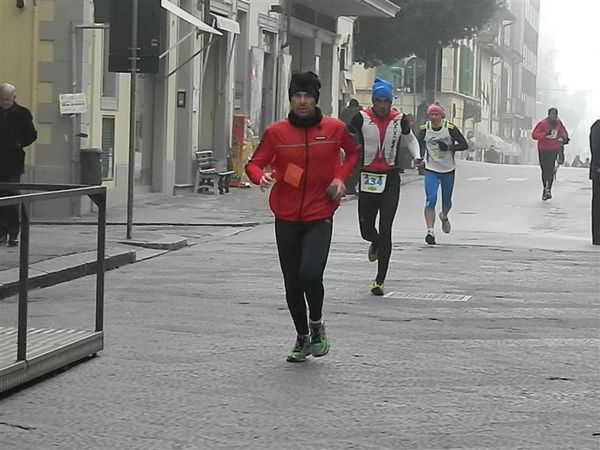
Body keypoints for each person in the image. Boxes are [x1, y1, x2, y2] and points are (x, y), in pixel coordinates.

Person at [245, 71, 360, 362]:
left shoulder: (334, 128)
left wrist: (340, 178)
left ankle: (317, 325)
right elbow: (254, 164)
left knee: (310, 274)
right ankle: (301, 337)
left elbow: (355, 151)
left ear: (316, 99)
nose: (303, 101)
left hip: (320, 212)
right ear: (291, 99)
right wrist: (262, 177)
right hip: (286, 214)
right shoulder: (276, 132)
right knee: (292, 282)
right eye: (297, 96)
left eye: (308, 96)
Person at [348, 78, 421, 296]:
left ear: (391, 102)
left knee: (387, 228)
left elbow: (411, 140)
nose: (382, 105)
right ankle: (374, 241)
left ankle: (380, 280)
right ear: (373, 101)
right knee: (366, 229)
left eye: (385, 101)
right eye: (378, 101)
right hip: (368, 177)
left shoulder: (400, 119)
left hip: (390, 178)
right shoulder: (360, 117)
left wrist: (418, 157)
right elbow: (344, 137)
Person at [417, 103, 468, 245]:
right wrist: (419, 159)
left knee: (446, 202)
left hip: (448, 170)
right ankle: (430, 231)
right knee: (431, 199)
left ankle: (444, 216)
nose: (433, 117)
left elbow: (464, 144)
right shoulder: (424, 129)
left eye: (436, 114)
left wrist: (450, 147)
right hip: (431, 169)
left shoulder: (450, 128)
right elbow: (419, 145)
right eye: (431, 114)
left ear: (441, 116)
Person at [0, 83, 37, 246]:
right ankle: (1, 233)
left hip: (13, 161)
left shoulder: (22, 114)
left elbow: (32, 135)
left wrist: (18, 143)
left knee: (12, 195)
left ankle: (14, 233)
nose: (5, 102)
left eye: (7, 99)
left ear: (14, 98)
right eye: (2, 99)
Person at [532, 107, 569, 201]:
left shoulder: (558, 123)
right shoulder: (542, 123)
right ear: (548, 116)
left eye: (555, 116)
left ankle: (549, 190)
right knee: (545, 170)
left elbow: (562, 132)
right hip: (543, 149)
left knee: (551, 169)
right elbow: (534, 135)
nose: (553, 118)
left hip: (553, 149)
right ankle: (545, 188)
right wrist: (544, 134)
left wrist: (564, 138)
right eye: (552, 116)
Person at [590, 119, 600, 245]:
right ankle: (597, 236)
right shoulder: (598, 127)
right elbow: (596, 148)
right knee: (598, 203)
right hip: (598, 171)